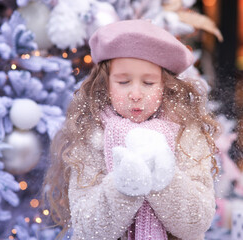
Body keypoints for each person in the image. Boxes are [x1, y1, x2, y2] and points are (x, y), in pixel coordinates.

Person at [43, 19, 219, 240]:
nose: (135, 94)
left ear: (165, 85)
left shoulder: (186, 134)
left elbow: (197, 223)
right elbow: (88, 229)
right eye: (123, 82)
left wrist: (163, 178)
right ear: (105, 84)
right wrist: (123, 186)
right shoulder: (90, 135)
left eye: (148, 83)